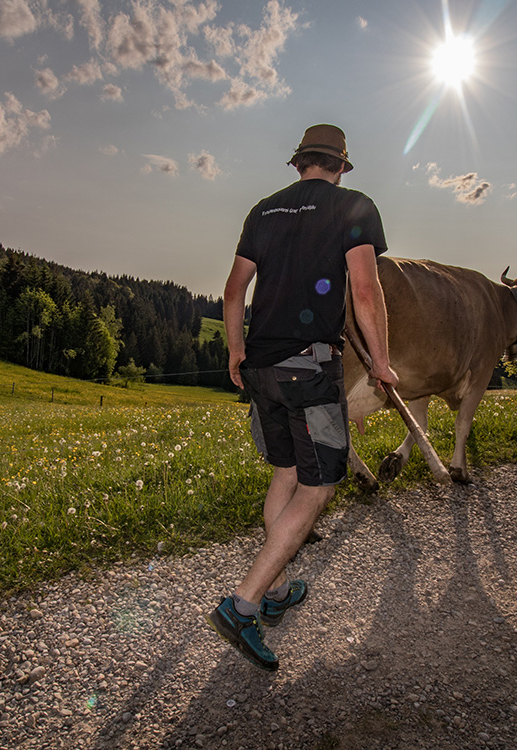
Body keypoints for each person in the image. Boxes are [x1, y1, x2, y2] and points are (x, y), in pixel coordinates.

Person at [207, 124, 398, 671]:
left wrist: (235, 352)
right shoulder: (355, 206)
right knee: (320, 486)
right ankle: (243, 606)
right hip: (311, 370)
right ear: (340, 166)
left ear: (299, 164)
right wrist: (381, 363)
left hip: (262, 367)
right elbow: (364, 289)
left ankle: (274, 589)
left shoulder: (264, 210)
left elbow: (234, 289)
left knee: (286, 473)